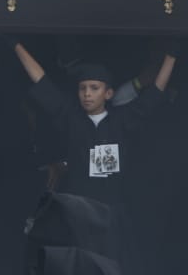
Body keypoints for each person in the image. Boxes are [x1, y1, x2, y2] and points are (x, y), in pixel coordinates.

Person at [11, 39, 175, 274]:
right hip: (77, 214)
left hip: (112, 215)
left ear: (108, 93)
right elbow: (42, 81)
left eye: (94, 88)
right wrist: (17, 45)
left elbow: (155, 93)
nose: (87, 94)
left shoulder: (121, 121)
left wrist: (172, 55)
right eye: (83, 88)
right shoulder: (71, 119)